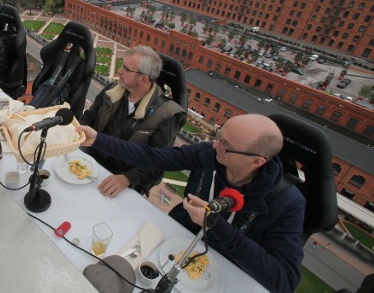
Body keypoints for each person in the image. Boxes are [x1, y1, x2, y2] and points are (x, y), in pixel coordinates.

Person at [78, 114, 305, 293]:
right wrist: (98, 139)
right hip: (175, 243)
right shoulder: (209, 154)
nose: (215, 145)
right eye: (218, 136)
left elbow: (284, 281)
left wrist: (216, 225)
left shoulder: (287, 203)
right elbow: (154, 157)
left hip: (221, 273)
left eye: (225, 145)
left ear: (256, 161)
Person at [79, 46, 185, 197]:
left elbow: (158, 167)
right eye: (122, 65)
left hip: (122, 178)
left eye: (126, 69)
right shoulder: (113, 90)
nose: (120, 71)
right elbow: (90, 116)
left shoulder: (166, 115)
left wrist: (127, 179)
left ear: (143, 79)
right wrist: (78, 130)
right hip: (91, 158)